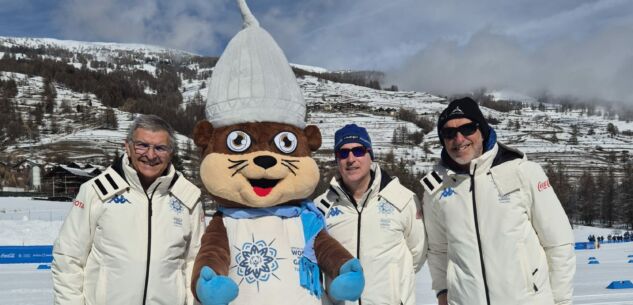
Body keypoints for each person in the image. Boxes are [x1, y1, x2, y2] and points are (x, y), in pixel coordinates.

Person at [421, 97, 576, 305]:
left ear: (482, 130)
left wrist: (561, 301)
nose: (459, 139)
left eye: (467, 128)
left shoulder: (523, 171)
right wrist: (442, 293)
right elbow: (438, 249)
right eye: (449, 133)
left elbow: (558, 242)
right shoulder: (436, 188)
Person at [52, 114, 205, 305]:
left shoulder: (188, 197)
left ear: (171, 153)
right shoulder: (96, 191)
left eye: (160, 148)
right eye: (142, 145)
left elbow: (195, 263)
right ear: (128, 146)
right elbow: (69, 257)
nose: (150, 155)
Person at [315, 123, 426, 305]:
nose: (351, 159)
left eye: (358, 151)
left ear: (370, 155)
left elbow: (417, 253)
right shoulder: (321, 206)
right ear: (337, 160)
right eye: (343, 153)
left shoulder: (402, 199)